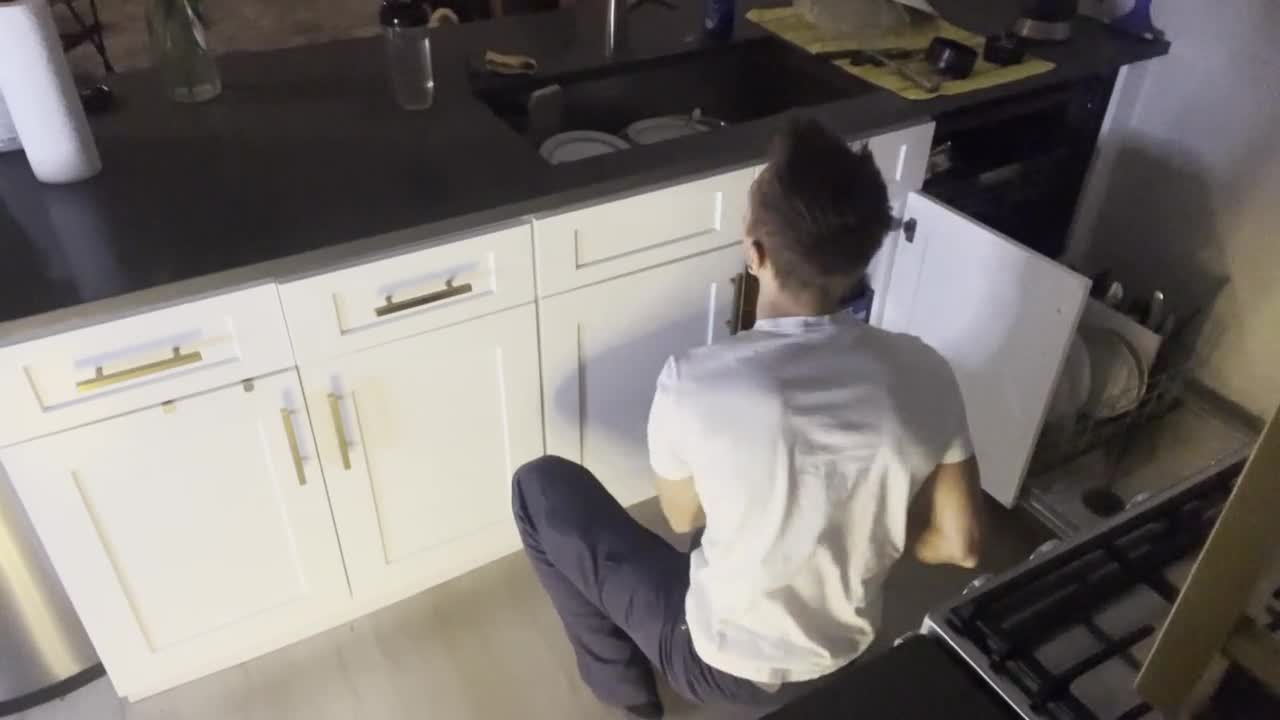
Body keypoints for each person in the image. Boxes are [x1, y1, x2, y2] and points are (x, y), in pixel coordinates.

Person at [511, 118, 983, 719]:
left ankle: (626, 694)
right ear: (862, 256)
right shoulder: (926, 370)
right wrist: (866, 526)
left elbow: (683, 516)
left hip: (719, 666)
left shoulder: (693, 381)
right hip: (846, 651)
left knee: (538, 487)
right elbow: (961, 544)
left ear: (754, 255)